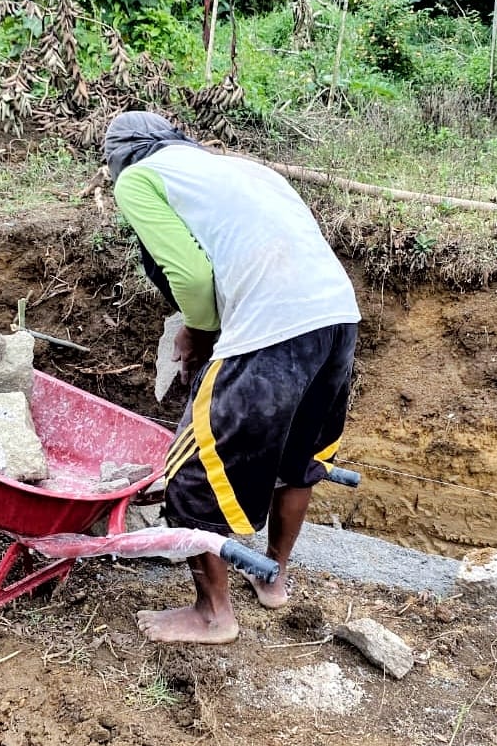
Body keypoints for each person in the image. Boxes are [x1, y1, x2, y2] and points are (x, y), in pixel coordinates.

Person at [104, 111, 361, 644]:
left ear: (121, 158)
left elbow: (193, 276)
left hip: (271, 327)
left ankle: (212, 615)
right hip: (338, 319)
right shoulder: (244, 169)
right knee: (298, 459)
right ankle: (273, 579)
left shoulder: (137, 178)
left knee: (190, 472)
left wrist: (198, 332)